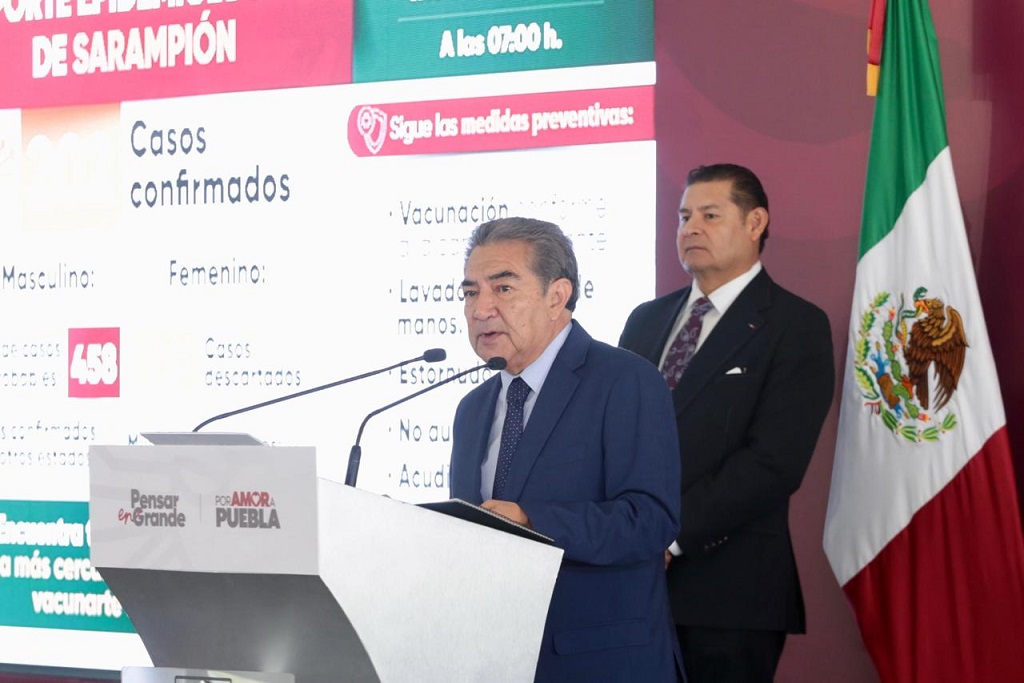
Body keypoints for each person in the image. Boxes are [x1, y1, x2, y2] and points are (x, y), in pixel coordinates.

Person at [619, 163, 835, 683]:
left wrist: (668, 537)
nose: (691, 228)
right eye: (684, 216)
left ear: (755, 222)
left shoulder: (796, 325)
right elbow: (617, 436)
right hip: (629, 585)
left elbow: (773, 462)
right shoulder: (645, 319)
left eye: (710, 216)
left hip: (729, 595)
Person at [450, 216, 684, 682]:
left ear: (557, 295)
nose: (480, 309)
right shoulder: (472, 408)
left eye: (503, 288)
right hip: (497, 660)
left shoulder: (624, 380)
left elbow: (650, 520)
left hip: (600, 661)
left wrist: (531, 520)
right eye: (471, 292)